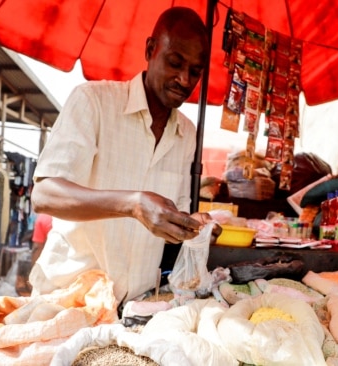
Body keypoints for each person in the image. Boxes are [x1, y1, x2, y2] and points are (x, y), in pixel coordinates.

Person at [29, 6, 220, 304]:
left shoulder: (187, 133)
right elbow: (44, 195)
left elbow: (173, 218)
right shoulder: (93, 101)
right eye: (175, 63)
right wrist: (132, 204)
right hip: (70, 299)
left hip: (137, 305)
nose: (184, 79)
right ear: (150, 49)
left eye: (195, 71)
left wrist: (195, 226)